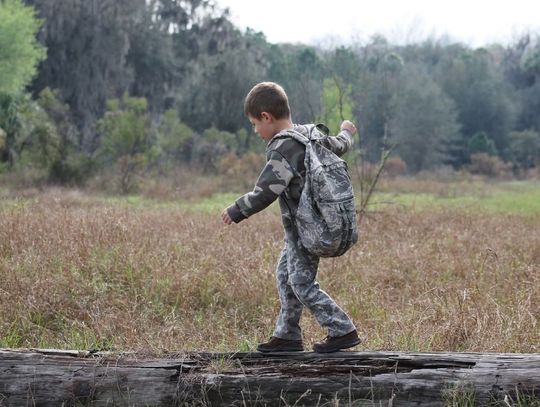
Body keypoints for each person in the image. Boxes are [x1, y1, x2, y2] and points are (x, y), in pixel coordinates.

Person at [221, 82, 360, 353]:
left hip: (307, 227)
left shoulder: (284, 148)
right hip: (310, 225)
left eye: (254, 124)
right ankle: (287, 335)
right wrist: (346, 131)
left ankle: (342, 329)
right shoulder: (309, 135)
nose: (256, 130)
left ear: (266, 117)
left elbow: (266, 191)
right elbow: (340, 145)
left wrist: (236, 210)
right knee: (285, 275)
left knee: (300, 282)